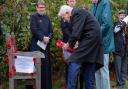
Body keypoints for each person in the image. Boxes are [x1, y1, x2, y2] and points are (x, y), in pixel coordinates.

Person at [58, 5, 103, 89]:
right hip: (93, 41)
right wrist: (76, 43)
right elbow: (81, 32)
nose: (64, 20)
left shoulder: (77, 13)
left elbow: (75, 34)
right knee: (88, 65)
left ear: (67, 13)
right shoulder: (79, 13)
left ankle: (70, 87)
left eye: (64, 17)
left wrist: (68, 45)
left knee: (74, 60)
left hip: (90, 39)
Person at [28, 1, 53, 89]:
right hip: (36, 46)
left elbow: (51, 31)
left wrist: (49, 37)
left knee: (45, 68)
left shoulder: (47, 18)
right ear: (37, 8)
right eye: (40, 7)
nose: (41, 9)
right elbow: (34, 30)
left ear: (45, 8)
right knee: (35, 68)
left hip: (45, 47)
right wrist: (43, 37)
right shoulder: (33, 17)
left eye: (43, 7)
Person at [90, 0, 115, 89]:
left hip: (103, 42)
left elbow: (106, 24)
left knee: (103, 69)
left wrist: (93, 34)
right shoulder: (93, 5)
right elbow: (90, 23)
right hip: (94, 42)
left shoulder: (105, 3)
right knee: (96, 69)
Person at [60, 0, 83, 89]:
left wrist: (76, 40)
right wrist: (72, 41)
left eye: (73, 1)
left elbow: (78, 29)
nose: (72, 3)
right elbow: (65, 30)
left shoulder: (78, 13)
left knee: (78, 68)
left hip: (78, 44)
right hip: (68, 44)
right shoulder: (64, 13)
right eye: (70, 1)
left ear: (76, 2)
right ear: (67, 3)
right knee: (70, 68)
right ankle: (69, 86)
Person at [113, 10, 127, 89]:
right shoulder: (117, 23)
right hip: (118, 49)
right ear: (118, 16)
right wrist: (122, 24)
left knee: (124, 68)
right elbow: (115, 30)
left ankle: (123, 83)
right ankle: (119, 84)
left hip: (125, 49)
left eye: (124, 15)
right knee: (118, 68)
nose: (122, 16)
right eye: (121, 15)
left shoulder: (126, 26)